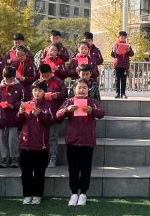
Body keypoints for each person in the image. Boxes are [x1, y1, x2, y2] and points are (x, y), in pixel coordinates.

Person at [56, 78, 105, 206]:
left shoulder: (92, 102)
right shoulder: (69, 101)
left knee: (85, 169)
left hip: (87, 141)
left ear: (88, 90)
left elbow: (101, 113)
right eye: (79, 87)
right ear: (74, 89)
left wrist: (92, 111)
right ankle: (73, 193)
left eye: (84, 87)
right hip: (72, 141)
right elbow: (58, 115)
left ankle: (83, 193)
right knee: (73, 169)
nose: (82, 90)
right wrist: (67, 110)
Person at [18, 80, 54, 205]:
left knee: (39, 173)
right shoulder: (27, 104)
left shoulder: (48, 105)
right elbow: (19, 122)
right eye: (34, 90)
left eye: (39, 90)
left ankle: (37, 195)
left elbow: (51, 121)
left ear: (44, 92)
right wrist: (20, 113)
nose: (37, 93)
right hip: (26, 144)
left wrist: (40, 114)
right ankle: (27, 194)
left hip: (40, 145)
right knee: (26, 173)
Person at [38, 64, 68, 168]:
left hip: (53, 114)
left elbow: (65, 93)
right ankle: (42, 157)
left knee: (52, 137)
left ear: (51, 73)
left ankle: (53, 157)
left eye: (47, 75)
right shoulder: (39, 82)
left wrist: (56, 95)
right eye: (43, 75)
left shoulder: (58, 81)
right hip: (41, 113)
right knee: (41, 137)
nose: (45, 78)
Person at [0, 66, 24, 168]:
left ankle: (14, 157)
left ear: (14, 77)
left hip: (14, 118)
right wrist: (0, 105)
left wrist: (14, 106)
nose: (8, 81)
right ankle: (5, 157)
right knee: (3, 139)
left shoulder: (20, 87)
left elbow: (24, 100)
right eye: (6, 79)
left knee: (13, 139)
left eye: (10, 79)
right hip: (2, 118)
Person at [111, 31, 134, 99]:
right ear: (119, 38)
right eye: (122, 37)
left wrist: (129, 50)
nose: (123, 39)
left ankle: (123, 93)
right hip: (117, 64)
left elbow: (132, 54)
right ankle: (118, 93)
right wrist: (114, 50)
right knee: (117, 80)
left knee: (124, 80)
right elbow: (113, 55)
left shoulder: (128, 45)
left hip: (125, 65)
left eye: (124, 38)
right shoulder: (116, 45)